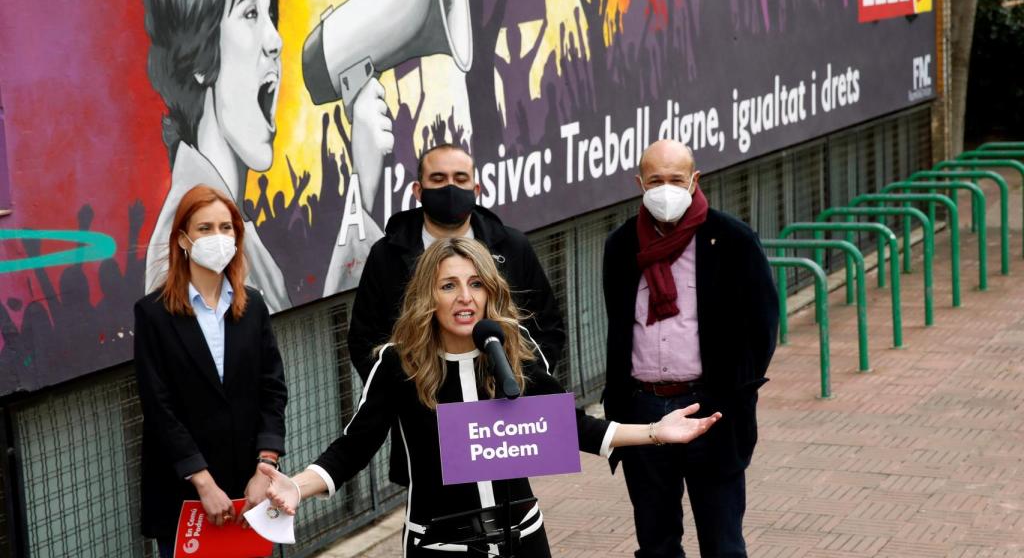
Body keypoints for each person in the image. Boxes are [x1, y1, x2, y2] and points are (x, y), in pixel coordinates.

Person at [256, 236, 719, 556]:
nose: (465, 297)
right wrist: (296, 485)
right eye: (449, 285)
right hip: (440, 546)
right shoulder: (400, 363)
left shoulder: (512, 347)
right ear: (427, 296)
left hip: (523, 539)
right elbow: (353, 447)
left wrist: (658, 432)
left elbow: (574, 427)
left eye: (476, 284)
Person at [347, 143, 566, 485]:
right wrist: (407, 392)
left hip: (500, 420)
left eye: (460, 178)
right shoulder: (387, 256)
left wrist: (519, 382)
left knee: (505, 508)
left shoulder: (511, 246)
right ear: (418, 190)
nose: (450, 187)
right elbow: (365, 338)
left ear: (476, 189)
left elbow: (546, 326)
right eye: (438, 178)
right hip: (425, 416)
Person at [602, 140, 778, 558]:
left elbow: (762, 325)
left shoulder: (731, 239)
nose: (666, 189)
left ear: (695, 180)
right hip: (644, 412)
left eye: (676, 180)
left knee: (723, 545)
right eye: (656, 180)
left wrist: (736, 395)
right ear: (640, 184)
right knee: (656, 543)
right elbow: (618, 326)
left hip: (710, 410)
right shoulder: (622, 245)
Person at [134, 184, 288, 558]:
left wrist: (264, 468)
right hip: (183, 491)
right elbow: (159, 406)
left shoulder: (253, 308)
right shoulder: (153, 314)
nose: (217, 237)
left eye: (226, 227)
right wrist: (202, 482)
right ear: (184, 239)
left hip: (249, 486)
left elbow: (273, 390)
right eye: (205, 228)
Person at [142, 0, 291, 312]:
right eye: (250, 13)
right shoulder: (181, 237)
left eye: (271, 14)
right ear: (198, 56)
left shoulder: (233, 218)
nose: (276, 41)